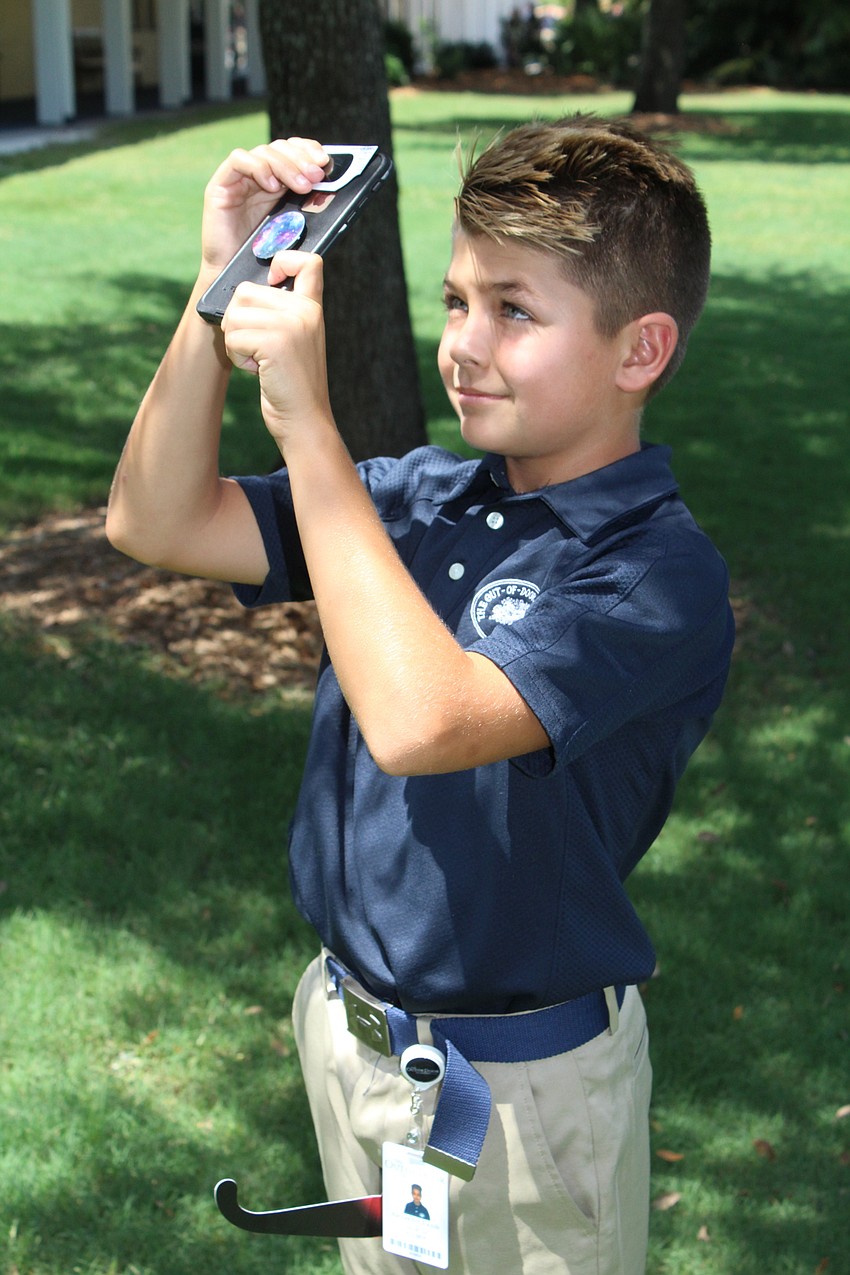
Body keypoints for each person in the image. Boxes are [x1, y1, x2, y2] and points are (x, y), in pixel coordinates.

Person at [106, 116, 735, 1275]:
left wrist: (308, 428)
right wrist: (218, 287)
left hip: (523, 1097)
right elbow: (157, 520)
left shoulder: (653, 572)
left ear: (639, 350)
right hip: (356, 1044)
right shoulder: (416, 499)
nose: (462, 345)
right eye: (454, 301)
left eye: (514, 311)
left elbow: (420, 722)